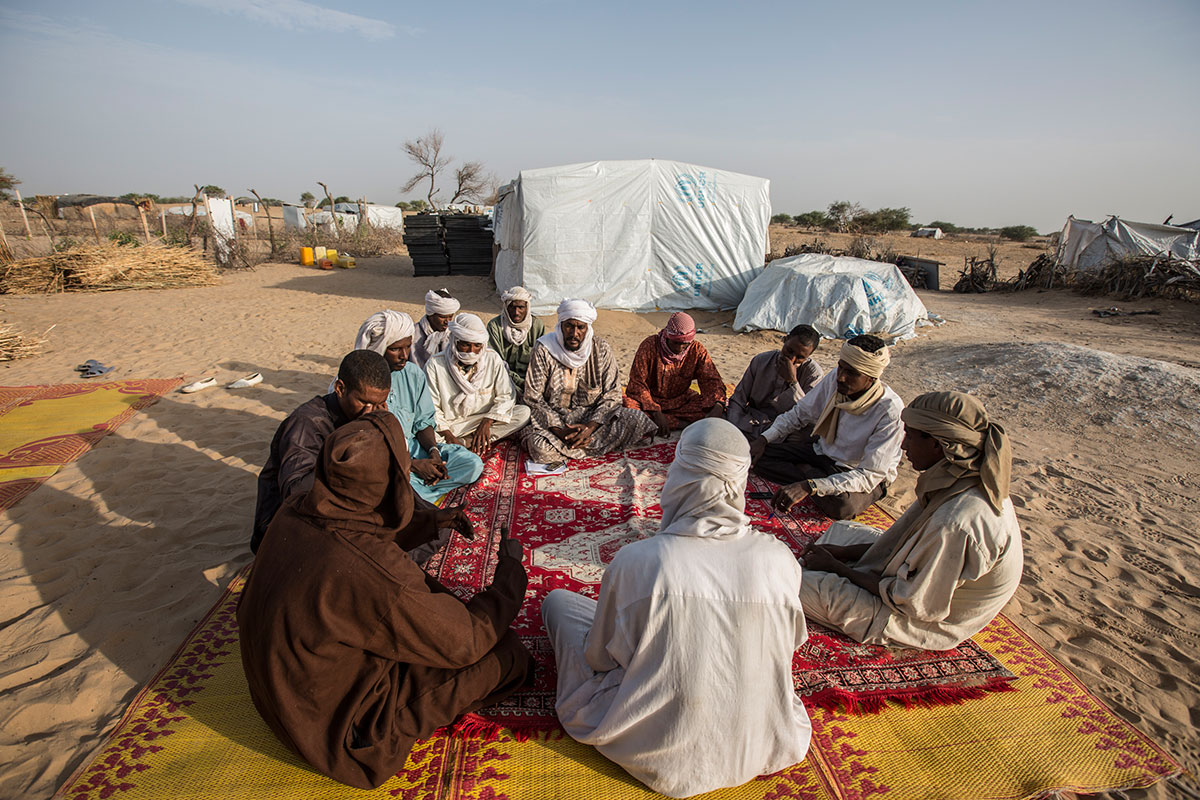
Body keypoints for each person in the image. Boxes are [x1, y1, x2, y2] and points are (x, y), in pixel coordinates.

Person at [239, 411, 532, 790]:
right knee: (503, 652)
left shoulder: (295, 507)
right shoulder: (367, 570)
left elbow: (356, 527)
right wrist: (510, 574)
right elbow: (466, 642)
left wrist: (431, 521)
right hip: (336, 735)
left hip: (278, 695)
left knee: (423, 600)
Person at [541, 419, 812, 798]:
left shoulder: (640, 561)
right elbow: (789, 649)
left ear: (680, 475)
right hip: (763, 741)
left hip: (659, 752)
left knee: (559, 604)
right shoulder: (780, 558)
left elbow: (599, 658)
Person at [799, 392, 1023, 650]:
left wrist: (838, 568)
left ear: (939, 445)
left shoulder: (956, 523)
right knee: (843, 530)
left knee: (789, 582)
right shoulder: (954, 478)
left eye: (911, 436)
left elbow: (908, 600)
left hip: (912, 621)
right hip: (916, 580)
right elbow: (901, 544)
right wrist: (841, 552)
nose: (904, 446)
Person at [750, 335, 904, 520]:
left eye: (852, 373)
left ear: (871, 377)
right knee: (758, 456)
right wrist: (763, 439)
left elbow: (869, 475)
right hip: (822, 453)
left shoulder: (890, 411)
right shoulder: (835, 379)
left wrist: (810, 486)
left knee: (842, 507)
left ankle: (809, 475)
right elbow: (799, 414)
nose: (841, 377)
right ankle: (812, 475)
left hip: (853, 471)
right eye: (841, 367)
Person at [251, 349, 389, 553]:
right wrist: (353, 441)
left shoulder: (370, 416)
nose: (371, 411)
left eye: (378, 404)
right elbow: (295, 492)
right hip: (289, 523)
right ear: (340, 388)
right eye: (364, 402)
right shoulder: (307, 423)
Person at [522, 299, 656, 465]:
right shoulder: (544, 349)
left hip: (593, 419)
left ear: (588, 328)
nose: (574, 333)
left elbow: (612, 394)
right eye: (569, 326)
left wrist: (589, 428)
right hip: (556, 421)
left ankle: (575, 446)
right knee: (539, 447)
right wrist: (560, 431)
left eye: (581, 327)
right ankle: (582, 445)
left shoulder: (601, 349)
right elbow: (533, 397)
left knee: (635, 419)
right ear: (561, 326)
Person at [372, 310, 484, 503]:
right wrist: (413, 465)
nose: (404, 356)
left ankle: (420, 493)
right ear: (380, 347)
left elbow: (423, 422)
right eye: (396, 349)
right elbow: (369, 449)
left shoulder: (413, 373)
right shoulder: (363, 383)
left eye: (407, 348)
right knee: (392, 488)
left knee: (472, 464)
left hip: (416, 447)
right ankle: (417, 494)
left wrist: (433, 453)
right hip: (384, 459)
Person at [426, 313, 531, 455]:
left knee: (523, 413)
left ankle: (469, 441)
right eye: (465, 344)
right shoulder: (435, 364)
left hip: (483, 419)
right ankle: (465, 441)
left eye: (477, 345)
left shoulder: (492, 358)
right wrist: (449, 436)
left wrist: (486, 422)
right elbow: (432, 408)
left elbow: (506, 396)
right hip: (453, 425)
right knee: (427, 434)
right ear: (454, 341)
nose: (471, 351)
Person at [623, 311, 726, 435]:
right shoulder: (649, 346)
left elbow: (711, 380)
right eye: (676, 343)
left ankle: (664, 424)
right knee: (628, 410)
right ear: (667, 337)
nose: (679, 348)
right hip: (650, 401)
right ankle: (680, 424)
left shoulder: (696, 350)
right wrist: (656, 411)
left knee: (715, 410)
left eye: (684, 344)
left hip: (681, 402)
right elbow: (637, 383)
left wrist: (718, 405)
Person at [727, 324, 824, 437]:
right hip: (750, 421)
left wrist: (792, 382)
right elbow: (739, 399)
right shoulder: (761, 361)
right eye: (789, 351)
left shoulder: (813, 375)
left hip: (785, 429)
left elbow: (807, 413)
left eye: (800, 357)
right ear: (785, 340)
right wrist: (732, 426)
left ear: (808, 356)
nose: (791, 359)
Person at [486, 286, 546, 394]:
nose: (516, 312)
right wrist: (519, 382)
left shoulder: (537, 326)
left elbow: (540, 364)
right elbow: (496, 363)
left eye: (520, 307)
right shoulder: (495, 326)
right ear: (506, 307)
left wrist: (530, 383)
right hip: (502, 378)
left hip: (531, 380)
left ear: (527, 308)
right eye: (512, 307)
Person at [412, 289, 460, 368]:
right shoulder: (413, 334)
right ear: (430, 314)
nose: (447, 322)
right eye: (442, 317)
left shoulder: (454, 334)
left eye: (450, 317)